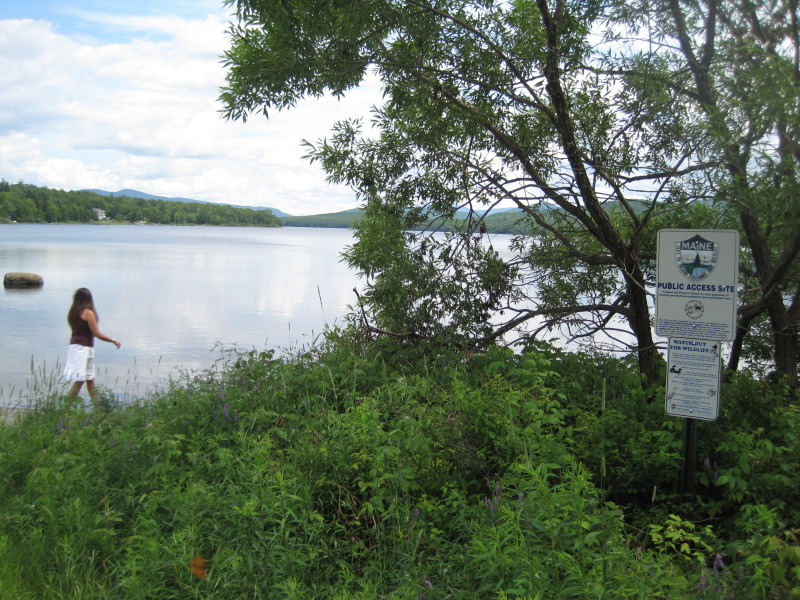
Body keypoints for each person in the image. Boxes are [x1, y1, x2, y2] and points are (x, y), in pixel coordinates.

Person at [63, 288, 121, 402]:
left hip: (77, 347)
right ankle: (66, 409)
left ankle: (97, 408)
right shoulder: (88, 313)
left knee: (90, 379)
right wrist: (113, 340)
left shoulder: (73, 313)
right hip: (82, 349)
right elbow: (97, 334)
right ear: (89, 299)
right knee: (80, 380)